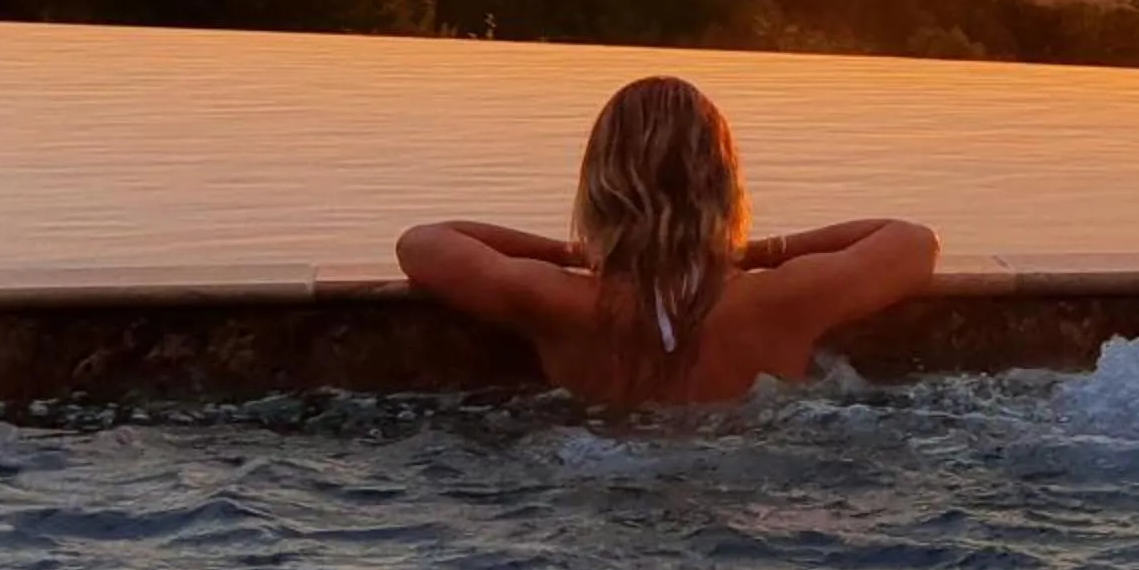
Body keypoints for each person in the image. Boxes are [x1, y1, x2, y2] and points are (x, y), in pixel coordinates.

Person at [395, 74, 941, 406]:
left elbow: (423, 243)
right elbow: (912, 242)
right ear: (723, 182)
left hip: (600, 468)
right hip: (749, 475)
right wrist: (760, 252)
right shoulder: (782, 298)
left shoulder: (560, 301)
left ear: (600, 183)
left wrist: (568, 254)